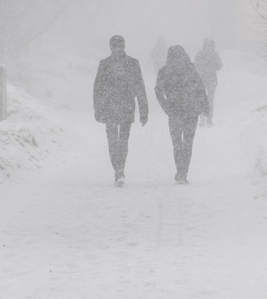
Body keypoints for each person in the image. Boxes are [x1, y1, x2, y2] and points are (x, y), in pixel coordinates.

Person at [93, 35, 149, 187]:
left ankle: (118, 170)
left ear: (110, 46)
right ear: (124, 46)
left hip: (110, 107)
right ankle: (120, 169)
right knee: (123, 140)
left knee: (112, 141)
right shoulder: (133, 63)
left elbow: (97, 88)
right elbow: (140, 87)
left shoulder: (105, 64)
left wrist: (97, 108)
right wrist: (144, 110)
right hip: (127, 106)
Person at [154, 45, 210, 184]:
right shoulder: (190, 69)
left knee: (177, 143)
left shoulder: (165, 71)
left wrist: (165, 105)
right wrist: (205, 105)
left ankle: (180, 170)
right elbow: (200, 88)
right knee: (188, 142)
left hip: (175, 111)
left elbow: (158, 90)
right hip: (191, 110)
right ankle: (183, 172)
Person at [194, 38, 223, 126]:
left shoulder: (199, 54)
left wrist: (201, 70)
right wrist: (212, 67)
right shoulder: (214, 54)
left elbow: (194, 65)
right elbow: (220, 65)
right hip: (211, 79)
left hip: (202, 79)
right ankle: (208, 119)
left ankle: (203, 117)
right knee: (210, 100)